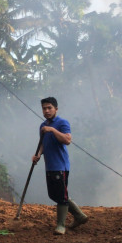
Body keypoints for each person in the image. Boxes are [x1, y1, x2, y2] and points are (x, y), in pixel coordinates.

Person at [32, 97, 88, 235]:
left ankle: (60, 225)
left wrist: (52, 130)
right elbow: (43, 144)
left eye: (49, 108)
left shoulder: (62, 123)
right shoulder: (43, 126)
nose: (47, 111)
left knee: (61, 196)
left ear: (56, 109)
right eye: (44, 108)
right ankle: (79, 215)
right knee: (54, 194)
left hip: (60, 165)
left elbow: (68, 140)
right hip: (49, 165)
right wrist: (38, 155)